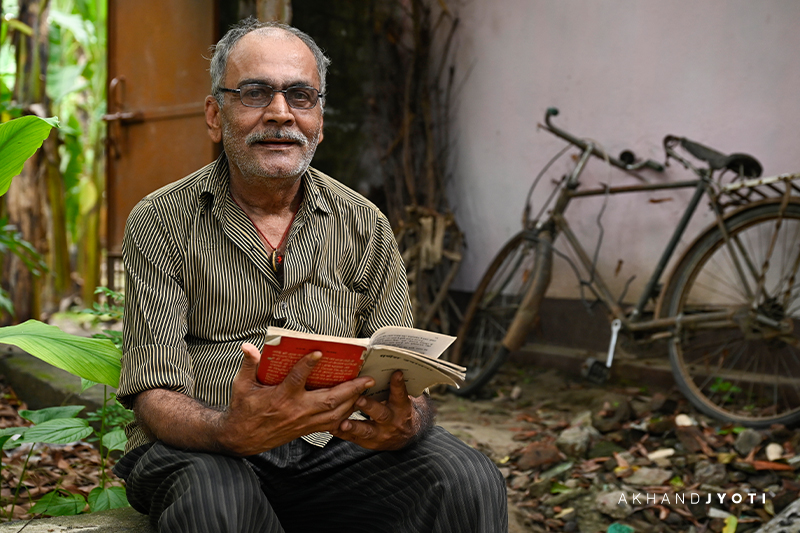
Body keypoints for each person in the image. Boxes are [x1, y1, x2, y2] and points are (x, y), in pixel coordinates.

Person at [113, 17, 507, 533]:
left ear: (319, 118)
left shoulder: (363, 221)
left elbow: (409, 382)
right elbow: (153, 391)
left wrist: (406, 424)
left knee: (466, 479)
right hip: (206, 447)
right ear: (215, 115)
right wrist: (230, 431)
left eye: (300, 96)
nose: (280, 114)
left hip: (333, 448)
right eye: (254, 93)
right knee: (217, 502)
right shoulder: (161, 219)